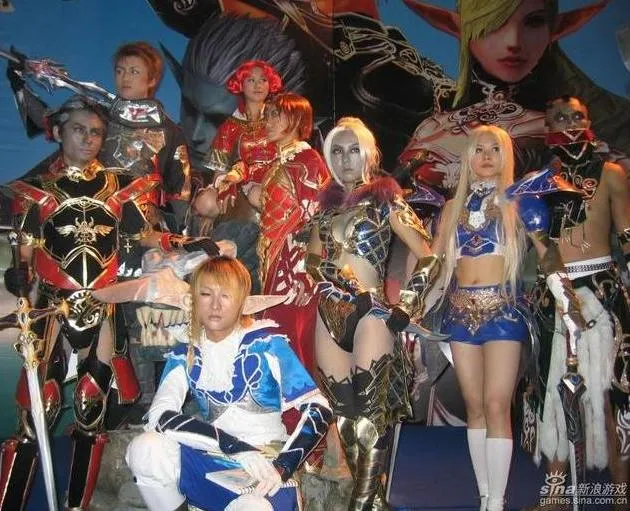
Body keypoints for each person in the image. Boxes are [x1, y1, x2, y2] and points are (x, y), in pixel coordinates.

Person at [0, 96, 231, 511]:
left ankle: (77, 505)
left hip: (103, 307)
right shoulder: (38, 192)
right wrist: (17, 275)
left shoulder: (117, 188)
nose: (88, 138)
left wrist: (185, 242)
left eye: (96, 132)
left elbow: (145, 236)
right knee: (37, 413)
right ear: (59, 132)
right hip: (54, 309)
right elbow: (25, 253)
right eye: (79, 130)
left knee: (91, 407)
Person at [430, 125, 584, 511]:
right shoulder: (452, 209)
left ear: (506, 156)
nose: (486, 156)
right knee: (474, 406)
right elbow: (432, 262)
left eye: (494, 149)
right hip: (459, 312)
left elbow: (548, 255)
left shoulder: (522, 204)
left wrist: (568, 301)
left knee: (497, 404)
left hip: (503, 313)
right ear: (468, 157)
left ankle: (497, 503)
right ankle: (485, 495)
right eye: (478, 149)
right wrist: (410, 304)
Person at [125, 256, 333, 511]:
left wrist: (282, 466)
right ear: (194, 300)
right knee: (146, 449)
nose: (215, 305)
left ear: (242, 302)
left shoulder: (266, 344)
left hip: (265, 468)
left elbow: (319, 408)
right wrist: (233, 446)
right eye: (206, 294)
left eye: (226, 295)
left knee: (253, 507)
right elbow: (160, 416)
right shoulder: (186, 352)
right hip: (213, 461)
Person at [306, 117, 439, 509]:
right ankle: (375, 501)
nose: (345, 159)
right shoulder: (325, 209)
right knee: (344, 416)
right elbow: (312, 258)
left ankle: (361, 502)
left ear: (368, 153)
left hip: (372, 315)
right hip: (329, 311)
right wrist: (330, 273)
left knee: (370, 416)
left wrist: (408, 303)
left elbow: (428, 255)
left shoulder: (387, 200)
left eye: (353, 150)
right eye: (337, 151)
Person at [398, 0, 630, 196]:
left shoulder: (559, 124)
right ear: (459, 27)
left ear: (555, 29)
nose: (513, 41)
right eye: (493, 24)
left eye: (534, 22)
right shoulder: (433, 125)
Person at [530, 96, 630, 509]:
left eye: (577, 116)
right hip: (553, 292)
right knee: (554, 394)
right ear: (547, 126)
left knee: (611, 392)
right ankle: (555, 495)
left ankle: (621, 493)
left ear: (589, 120)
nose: (570, 123)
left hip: (603, 289)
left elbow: (627, 234)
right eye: (559, 117)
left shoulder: (611, 173)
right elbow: (536, 242)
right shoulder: (537, 182)